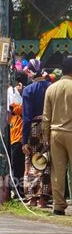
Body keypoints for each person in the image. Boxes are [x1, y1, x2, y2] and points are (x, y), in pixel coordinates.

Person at [43, 56, 72, 216]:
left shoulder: (51, 88)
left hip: (55, 133)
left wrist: (45, 137)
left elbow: (45, 116)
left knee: (57, 171)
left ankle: (58, 205)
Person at [22, 61, 52, 208]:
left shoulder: (28, 90)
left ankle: (32, 198)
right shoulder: (50, 87)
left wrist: (24, 140)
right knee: (46, 163)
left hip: (33, 128)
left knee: (33, 162)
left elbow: (26, 117)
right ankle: (43, 200)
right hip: (49, 128)